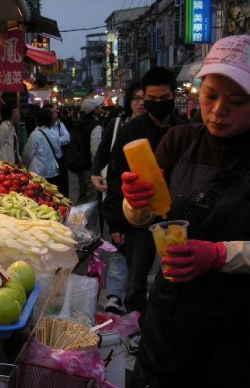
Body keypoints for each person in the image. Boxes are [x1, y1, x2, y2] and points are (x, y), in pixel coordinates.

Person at [122, 35, 250, 388]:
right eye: (210, 96)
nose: (217, 111)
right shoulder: (178, 140)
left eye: (236, 101)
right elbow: (147, 219)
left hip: (241, 325)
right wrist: (134, 202)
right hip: (173, 312)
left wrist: (216, 255)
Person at [103, 67, 186, 322]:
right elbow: (116, 177)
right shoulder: (131, 131)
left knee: (177, 276)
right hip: (139, 219)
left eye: (164, 99)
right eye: (152, 99)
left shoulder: (186, 130)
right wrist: (116, 221)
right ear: (143, 98)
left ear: (173, 96)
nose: (158, 104)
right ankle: (137, 324)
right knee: (136, 278)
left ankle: (169, 322)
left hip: (176, 218)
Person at [91, 81, 146, 313]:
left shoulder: (159, 127)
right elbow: (103, 153)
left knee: (141, 253)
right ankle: (114, 296)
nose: (141, 103)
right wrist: (95, 173)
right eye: (136, 98)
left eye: (146, 98)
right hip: (118, 195)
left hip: (147, 200)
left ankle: (136, 303)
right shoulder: (116, 124)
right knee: (119, 246)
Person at [71, 96, 104, 206]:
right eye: (98, 108)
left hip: (81, 165)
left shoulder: (79, 123)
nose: (100, 109)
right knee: (92, 198)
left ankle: (77, 220)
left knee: (83, 194)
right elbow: (95, 150)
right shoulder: (95, 127)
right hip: (90, 167)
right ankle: (90, 222)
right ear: (94, 111)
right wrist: (97, 168)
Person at [21, 107, 60, 185]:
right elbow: (57, 151)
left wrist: (25, 165)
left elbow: (27, 155)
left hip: (37, 172)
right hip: (52, 171)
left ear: (37, 120)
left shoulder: (35, 134)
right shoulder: (55, 133)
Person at [43, 103, 71, 197]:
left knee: (62, 186)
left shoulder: (60, 125)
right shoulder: (41, 128)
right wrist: (57, 139)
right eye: (53, 113)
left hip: (59, 161)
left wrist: (55, 140)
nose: (55, 115)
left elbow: (67, 138)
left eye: (56, 112)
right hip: (47, 162)